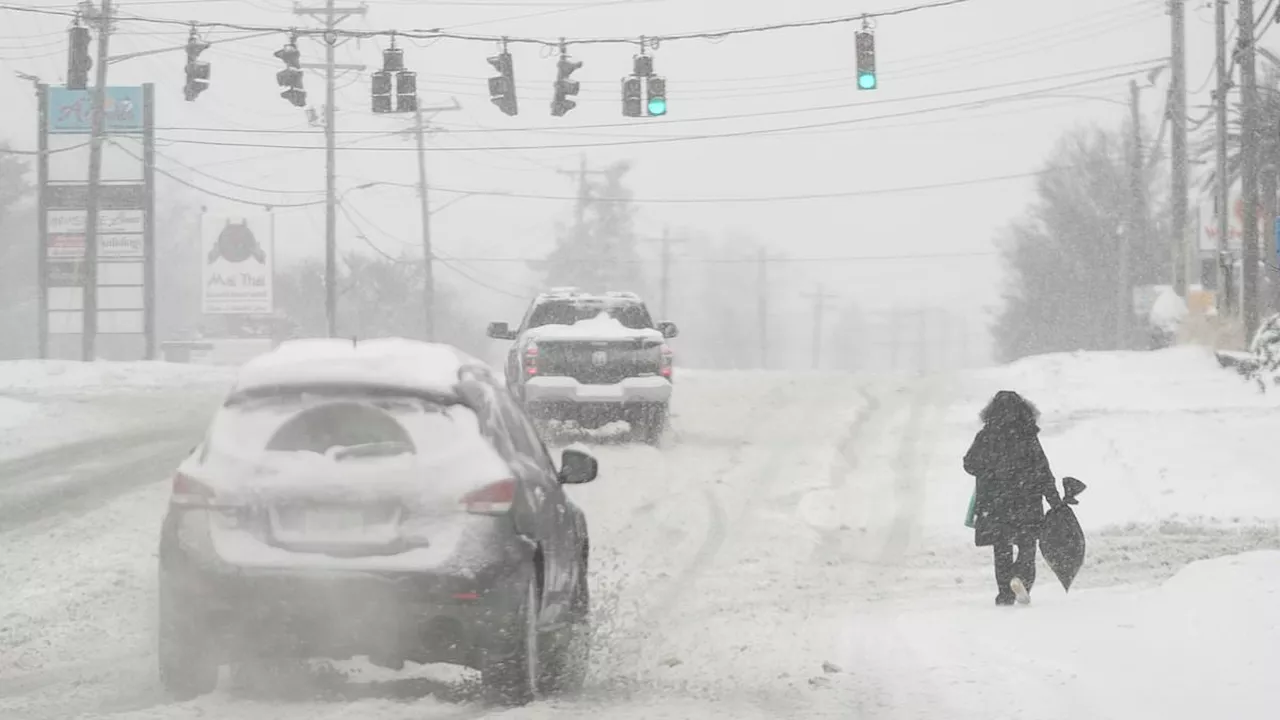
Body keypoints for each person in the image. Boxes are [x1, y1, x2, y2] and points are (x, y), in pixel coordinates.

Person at [963, 391, 1062, 606]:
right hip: (1027, 500)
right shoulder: (1027, 435)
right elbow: (1043, 470)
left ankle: (1005, 593)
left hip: (996, 502)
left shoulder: (986, 435)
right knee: (1027, 546)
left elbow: (969, 463)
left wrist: (989, 471)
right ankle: (1021, 578)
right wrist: (1054, 500)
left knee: (1002, 549)